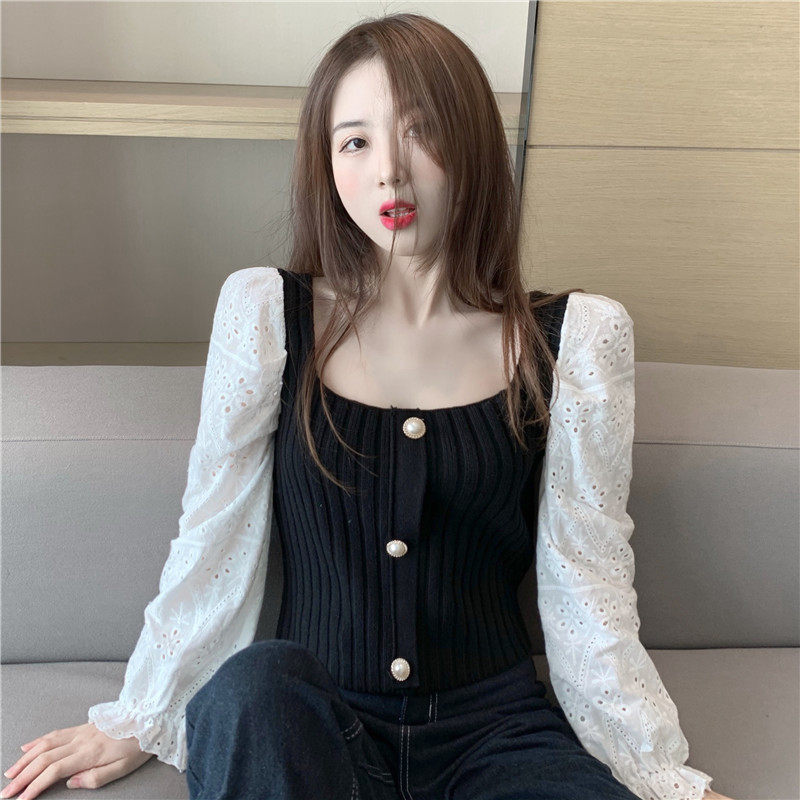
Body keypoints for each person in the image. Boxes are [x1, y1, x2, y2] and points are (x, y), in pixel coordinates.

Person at [2, 12, 733, 800]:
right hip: (317, 723)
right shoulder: (268, 316)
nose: (389, 171)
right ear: (327, 165)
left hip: (496, 733)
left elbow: (586, 581)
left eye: (421, 131)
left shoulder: (573, 340)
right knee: (253, 689)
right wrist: (142, 712)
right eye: (355, 142)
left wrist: (658, 772)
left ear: (474, 144)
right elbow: (214, 537)